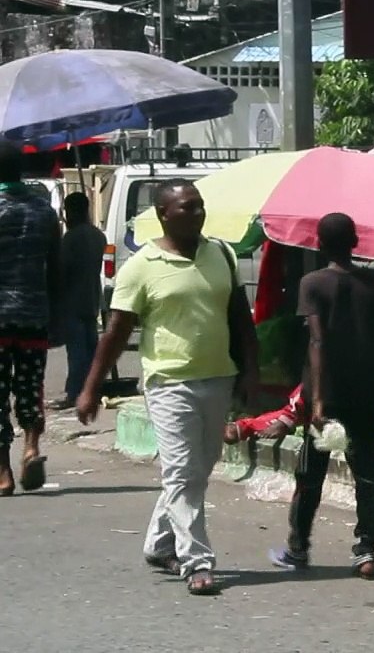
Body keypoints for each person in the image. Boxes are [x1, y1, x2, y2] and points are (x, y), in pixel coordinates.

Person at [76, 179, 258, 595]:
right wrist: (90, 387)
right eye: (187, 208)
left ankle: (159, 543)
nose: (197, 214)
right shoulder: (141, 267)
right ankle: (196, 560)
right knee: (180, 472)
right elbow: (117, 331)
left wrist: (251, 370)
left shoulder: (221, 254)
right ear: (164, 214)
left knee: (199, 468)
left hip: (219, 376)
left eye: (199, 206)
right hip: (169, 382)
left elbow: (239, 318)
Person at [268, 213, 374, 580]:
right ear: (355, 241)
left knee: (310, 475)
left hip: (328, 393)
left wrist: (318, 400)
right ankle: (365, 549)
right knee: (366, 475)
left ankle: (298, 547)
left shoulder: (313, 283)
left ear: (319, 244)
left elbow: (317, 340)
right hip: (367, 390)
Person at [0, 141, 61, 496]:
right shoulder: (43, 210)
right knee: (30, 386)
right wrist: (56, 312)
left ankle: (4, 472)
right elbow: (54, 266)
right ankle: (31, 447)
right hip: (35, 311)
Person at [52, 191, 106, 410]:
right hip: (92, 298)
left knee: (77, 352)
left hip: (73, 301)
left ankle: (75, 393)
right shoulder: (97, 236)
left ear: (72, 211)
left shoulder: (71, 238)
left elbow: (61, 270)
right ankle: (93, 389)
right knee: (91, 350)